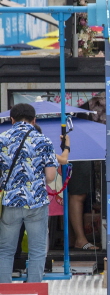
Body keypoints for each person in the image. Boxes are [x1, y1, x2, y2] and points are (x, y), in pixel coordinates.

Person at [0, 103, 69, 283]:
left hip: (10, 202)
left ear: (12, 120)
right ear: (34, 120)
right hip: (37, 201)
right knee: (37, 250)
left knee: (6, 250)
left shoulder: (2, 139)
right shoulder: (43, 141)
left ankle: (4, 294)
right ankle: (33, 292)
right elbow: (50, 176)